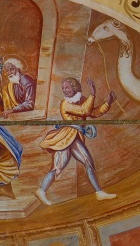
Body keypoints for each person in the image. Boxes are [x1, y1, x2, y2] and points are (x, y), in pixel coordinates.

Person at [36, 76, 118, 205]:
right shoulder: (65, 103)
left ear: (74, 87)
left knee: (87, 162)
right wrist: (92, 94)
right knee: (58, 167)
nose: (65, 90)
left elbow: (94, 113)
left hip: (75, 137)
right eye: (63, 88)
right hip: (67, 136)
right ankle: (41, 191)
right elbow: (83, 110)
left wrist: (107, 103)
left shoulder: (82, 100)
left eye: (67, 87)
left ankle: (99, 192)